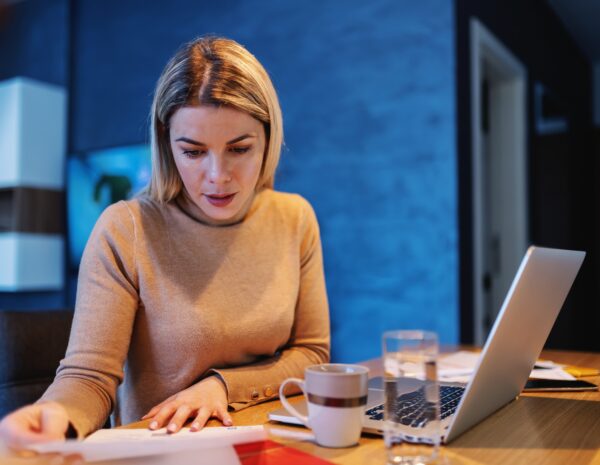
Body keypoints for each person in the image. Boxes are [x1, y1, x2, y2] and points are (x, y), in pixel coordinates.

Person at [0, 36, 330, 449]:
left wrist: (222, 387)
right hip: (163, 449)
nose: (217, 176)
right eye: (193, 152)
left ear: (268, 137)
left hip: (270, 440)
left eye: (239, 148)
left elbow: (313, 354)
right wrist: (55, 418)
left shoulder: (294, 217)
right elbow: (89, 378)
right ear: (166, 145)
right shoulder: (127, 228)